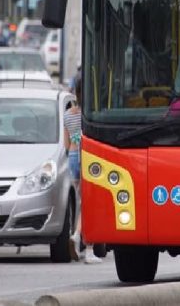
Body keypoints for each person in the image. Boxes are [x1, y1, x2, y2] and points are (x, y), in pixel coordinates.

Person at [64, 77, 102, 264]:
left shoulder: (68, 114)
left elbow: (66, 143)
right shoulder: (89, 113)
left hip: (72, 156)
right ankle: (86, 246)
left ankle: (77, 237)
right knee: (89, 203)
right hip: (86, 156)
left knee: (80, 202)